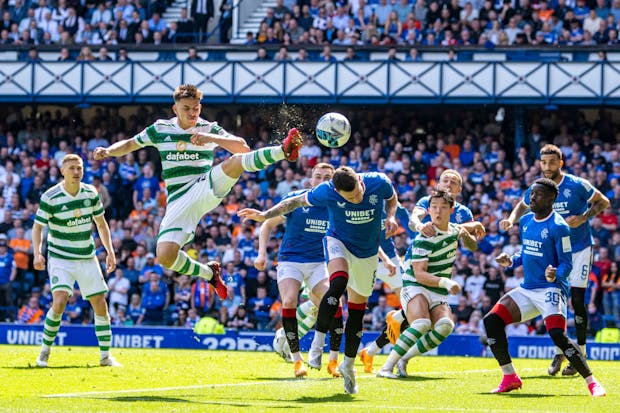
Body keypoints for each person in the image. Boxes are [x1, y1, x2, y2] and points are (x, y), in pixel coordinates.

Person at [93, 84, 303, 302]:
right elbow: (129, 144)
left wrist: (212, 138)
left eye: (195, 108)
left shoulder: (207, 128)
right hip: (178, 200)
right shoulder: (160, 129)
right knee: (165, 256)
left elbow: (242, 147)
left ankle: (284, 150)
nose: (192, 113)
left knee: (234, 163)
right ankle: (209, 273)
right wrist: (108, 151)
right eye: (186, 109)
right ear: (175, 109)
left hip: (204, 185)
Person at [239, 166, 398, 394]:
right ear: (336, 191)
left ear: (360, 182)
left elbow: (392, 199)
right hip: (333, 244)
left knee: (356, 312)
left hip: (367, 251)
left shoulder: (378, 182)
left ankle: (348, 365)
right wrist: (265, 215)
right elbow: (293, 202)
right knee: (337, 283)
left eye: (358, 193)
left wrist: (391, 217)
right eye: (350, 197)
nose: (357, 199)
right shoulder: (325, 192)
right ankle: (313, 348)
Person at [485, 178, 605, 397]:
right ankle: (510, 377)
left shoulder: (559, 227)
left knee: (557, 334)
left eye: (537, 195)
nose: (532, 197)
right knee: (491, 321)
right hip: (528, 289)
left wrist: (554, 274)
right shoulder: (526, 220)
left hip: (552, 290)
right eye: (531, 194)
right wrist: (511, 260)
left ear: (551, 198)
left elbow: (567, 263)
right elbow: (527, 252)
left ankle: (592, 382)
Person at [500, 144, 610, 376]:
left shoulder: (577, 184)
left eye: (552, 162)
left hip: (580, 248)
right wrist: (510, 220)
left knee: (578, 300)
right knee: (556, 297)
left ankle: (579, 353)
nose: (547, 167)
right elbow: (521, 205)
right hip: (553, 253)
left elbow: (603, 201)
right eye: (543, 162)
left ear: (561, 163)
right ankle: (559, 351)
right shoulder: (539, 188)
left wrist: (583, 217)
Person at [361, 169, 485, 372]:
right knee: (419, 319)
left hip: (440, 269)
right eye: (445, 180)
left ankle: (377, 346)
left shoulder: (462, 213)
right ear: (438, 183)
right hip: (418, 265)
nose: (448, 184)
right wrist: (420, 226)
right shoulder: (429, 202)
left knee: (421, 319)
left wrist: (467, 233)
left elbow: (471, 246)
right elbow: (414, 218)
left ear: (459, 189)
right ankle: (386, 355)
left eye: (453, 182)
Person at [254, 162, 343, 378]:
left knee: (334, 302)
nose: (321, 180)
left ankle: (333, 360)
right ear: (311, 179)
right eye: (318, 176)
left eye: (326, 177)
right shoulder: (297, 198)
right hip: (290, 260)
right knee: (289, 301)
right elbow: (267, 225)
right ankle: (297, 361)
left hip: (319, 263)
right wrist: (261, 253)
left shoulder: (336, 205)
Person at [32, 154, 120, 367]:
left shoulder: (91, 193)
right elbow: (38, 226)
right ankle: (44, 353)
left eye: (79, 167)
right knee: (60, 300)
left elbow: (101, 223)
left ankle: (105, 357)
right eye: (71, 168)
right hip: (60, 257)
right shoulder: (51, 196)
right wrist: (37, 252)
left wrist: (109, 251)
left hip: (86, 256)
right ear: (62, 171)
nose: (76, 171)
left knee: (100, 303)